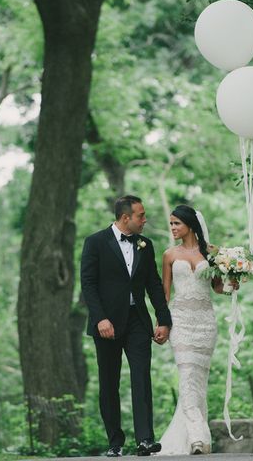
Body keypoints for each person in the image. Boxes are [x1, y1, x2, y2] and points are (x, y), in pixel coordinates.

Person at [81, 195, 172, 457]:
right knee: (109, 382)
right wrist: (100, 319)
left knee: (141, 376)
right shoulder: (95, 242)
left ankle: (145, 439)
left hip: (137, 321)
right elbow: (88, 284)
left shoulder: (146, 244)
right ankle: (114, 442)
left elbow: (154, 284)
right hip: (106, 324)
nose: (145, 220)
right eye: (141, 216)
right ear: (125, 218)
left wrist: (164, 320)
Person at [159, 205, 235, 455]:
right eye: (170, 224)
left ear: (190, 225)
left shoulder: (212, 254)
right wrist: (162, 323)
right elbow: (165, 294)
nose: (172, 228)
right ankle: (198, 437)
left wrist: (232, 285)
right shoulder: (169, 255)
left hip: (205, 323)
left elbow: (217, 288)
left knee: (198, 382)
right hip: (180, 321)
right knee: (186, 376)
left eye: (176, 223)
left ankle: (192, 438)